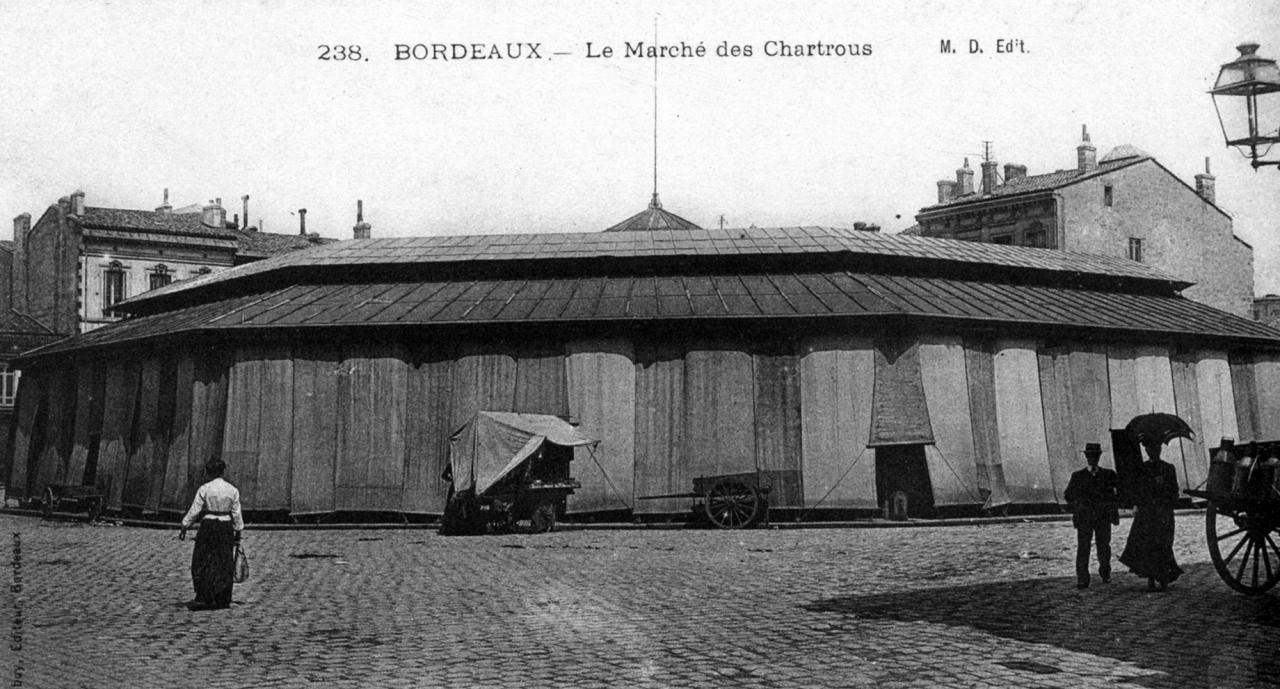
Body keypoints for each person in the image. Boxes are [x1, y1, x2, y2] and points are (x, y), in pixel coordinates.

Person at [1119, 438, 1183, 591]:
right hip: (1148, 513)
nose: (1153, 452)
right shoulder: (1142, 469)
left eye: (1156, 449)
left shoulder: (1168, 468)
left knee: (1164, 544)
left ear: (1160, 450)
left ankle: (1163, 578)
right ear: (1147, 451)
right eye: (1150, 449)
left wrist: (1163, 489)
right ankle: (1151, 579)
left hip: (1163, 512)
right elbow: (1137, 490)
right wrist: (1141, 502)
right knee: (1148, 545)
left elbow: (1174, 491)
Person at [179, 459, 244, 610]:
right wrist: (238, 531)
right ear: (222, 471)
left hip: (208, 525)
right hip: (225, 526)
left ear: (209, 472)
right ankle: (222, 597)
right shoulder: (232, 490)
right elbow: (236, 513)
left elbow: (195, 509)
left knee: (203, 559)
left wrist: (184, 525)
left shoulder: (205, 488)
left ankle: (204, 595)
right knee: (224, 561)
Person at [1063, 442, 1119, 589]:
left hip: (1102, 517)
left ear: (1099, 456)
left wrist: (1112, 511)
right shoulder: (1078, 476)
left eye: (1095, 455)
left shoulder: (1108, 475)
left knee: (1104, 546)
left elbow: (1116, 495)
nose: (1092, 458)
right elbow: (1068, 495)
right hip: (1085, 518)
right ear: (1086, 457)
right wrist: (1078, 507)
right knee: (1083, 547)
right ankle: (1082, 577)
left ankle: (1105, 572)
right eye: (1090, 456)